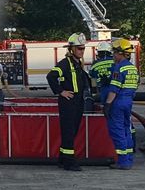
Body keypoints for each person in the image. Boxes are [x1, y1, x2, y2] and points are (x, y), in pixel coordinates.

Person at [46, 33, 91, 171]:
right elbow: (51, 76)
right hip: (68, 102)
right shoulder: (65, 64)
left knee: (73, 131)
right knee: (69, 132)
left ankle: (63, 159)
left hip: (77, 101)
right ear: (71, 49)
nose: (82, 51)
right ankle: (70, 162)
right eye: (79, 48)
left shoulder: (78, 64)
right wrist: (61, 91)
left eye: (83, 48)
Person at [104, 38, 139, 170]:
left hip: (118, 102)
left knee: (117, 130)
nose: (113, 55)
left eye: (114, 53)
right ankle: (129, 158)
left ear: (120, 53)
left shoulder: (119, 68)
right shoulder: (133, 69)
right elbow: (135, 86)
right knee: (126, 129)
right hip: (129, 101)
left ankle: (123, 162)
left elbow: (114, 89)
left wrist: (107, 104)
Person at [89, 41, 114, 108]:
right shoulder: (115, 62)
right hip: (115, 90)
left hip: (102, 91)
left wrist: (94, 93)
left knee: (105, 110)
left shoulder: (95, 64)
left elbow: (93, 80)